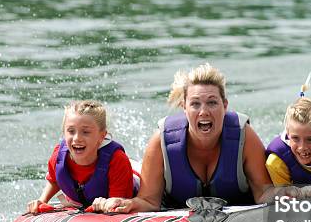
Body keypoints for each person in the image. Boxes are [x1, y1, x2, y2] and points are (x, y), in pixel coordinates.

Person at [93, 63, 295, 213]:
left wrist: (292, 194)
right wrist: (129, 204)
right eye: (196, 104)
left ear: (225, 106)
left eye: (212, 103)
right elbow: (149, 201)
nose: (204, 111)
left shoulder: (244, 136)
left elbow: (263, 193)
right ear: (184, 108)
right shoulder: (162, 142)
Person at [26, 100, 134, 213]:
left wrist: (107, 204)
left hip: (130, 179)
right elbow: (54, 180)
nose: (77, 138)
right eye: (71, 131)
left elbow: (118, 204)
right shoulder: (58, 158)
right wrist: (42, 201)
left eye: (86, 132)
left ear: (102, 136)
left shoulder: (117, 160)